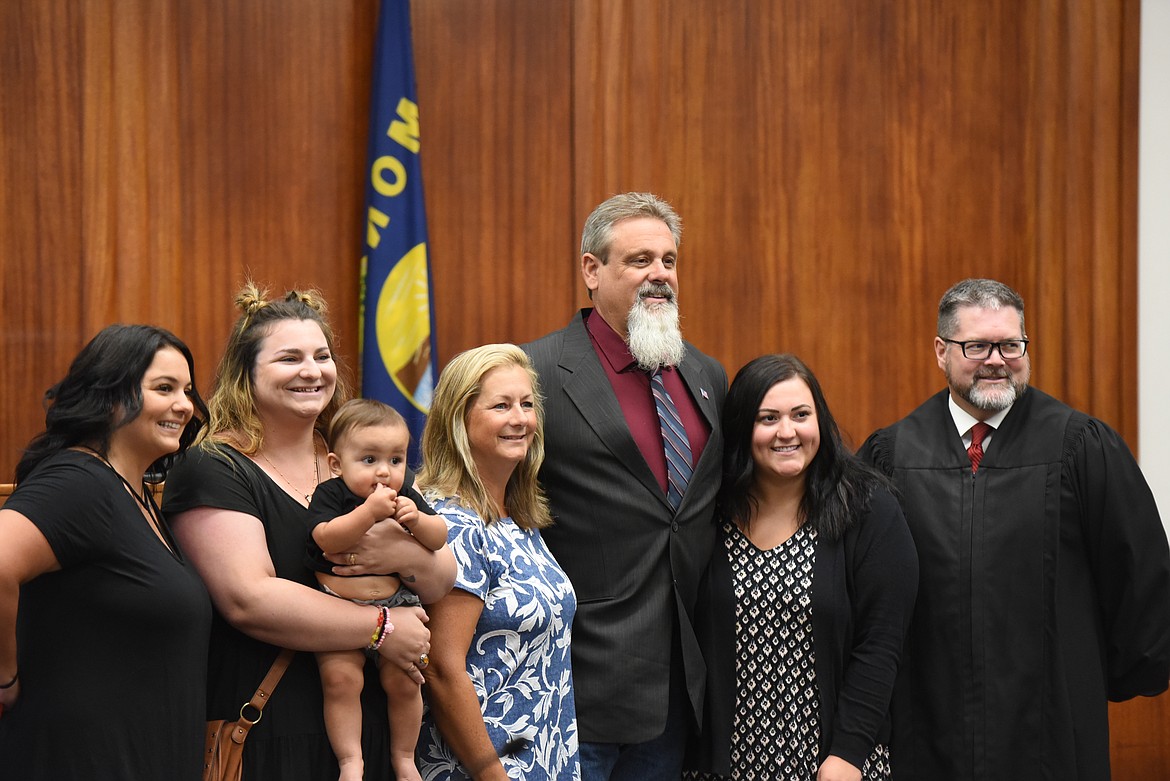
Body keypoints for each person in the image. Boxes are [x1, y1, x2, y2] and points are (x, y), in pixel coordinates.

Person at [858, 278, 1170, 781]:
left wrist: (1081, 681)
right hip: (926, 730)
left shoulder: (1080, 447)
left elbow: (1140, 580)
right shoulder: (892, 456)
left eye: (1010, 344)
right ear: (941, 351)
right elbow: (864, 597)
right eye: (977, 345)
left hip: (1050, 730)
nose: (997, 359)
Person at [163, 282, 457, 781]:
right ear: (245, 372)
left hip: (372, 734)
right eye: (289, 358)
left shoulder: (362, 461)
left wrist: (404, 557)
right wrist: (383, 627)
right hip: (270, 727)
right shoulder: (212, 466)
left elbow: (442, 578)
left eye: (322, 355)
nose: (311, 371)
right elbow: (248, 599)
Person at [523, 192, 728, 780]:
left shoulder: (705, 375)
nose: (659, 274)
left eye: (668, 260)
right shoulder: (533, 374)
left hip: (677, 688)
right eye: (639, 260)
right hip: (572, 683)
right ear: (592, 270)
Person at [685, 354, 918, 781]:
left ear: (819, 421)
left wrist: (848, 753)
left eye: (800, 415)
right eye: (768, 417)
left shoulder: (868, 509)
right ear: (742, 428)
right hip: (723, 764)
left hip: (832, 765)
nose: (787, 432)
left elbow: (881, 644)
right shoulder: (708, 512)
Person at [0, 324, 211, 780]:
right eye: (163, 388)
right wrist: (5, 676)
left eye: (188, 390)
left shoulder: (135, 495)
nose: (184, 405)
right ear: (109, 395)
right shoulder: (80, 481)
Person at [416, 344, 579, 780]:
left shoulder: (519, 518)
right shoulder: (453, 524)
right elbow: (442, 667)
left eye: (527, 404)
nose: (520, 419)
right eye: (501, 405)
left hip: (543, 759)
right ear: (459, 419)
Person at [307, 398, 449, 781]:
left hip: (398, 605)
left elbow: (439, 538)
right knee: (341, 680)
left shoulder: (409, 499)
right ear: (337, 465)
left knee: (404, 681)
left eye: (396, 460)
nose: (384, 472)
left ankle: (404, 759)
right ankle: (350, 762)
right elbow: (325, 538)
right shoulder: (333, 495)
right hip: (337, 608)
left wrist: (417, 520)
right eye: (369, 460)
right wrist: (368, 512)